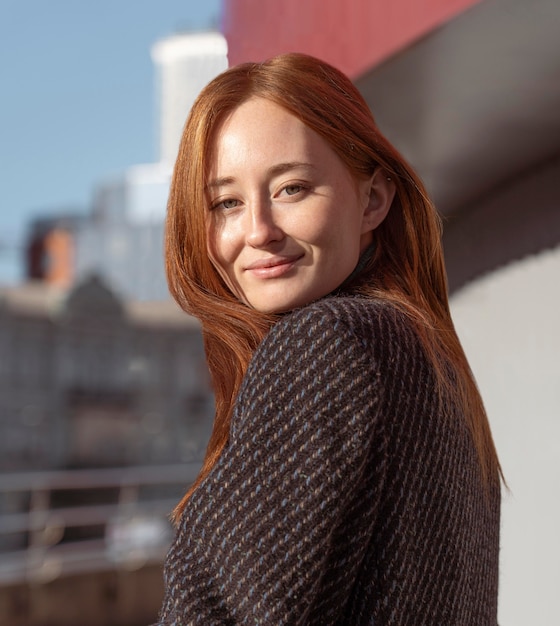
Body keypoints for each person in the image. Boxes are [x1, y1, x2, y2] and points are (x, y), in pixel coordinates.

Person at [156, 53, 501, 625]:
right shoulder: (428, 359)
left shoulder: (325, 344)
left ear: (373, 200)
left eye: (292, 188)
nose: (259, 230)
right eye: (227, 203)